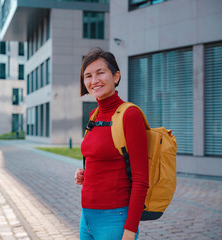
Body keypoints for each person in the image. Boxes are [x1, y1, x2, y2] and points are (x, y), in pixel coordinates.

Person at [74, 47, 149, 240]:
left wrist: (130, 230)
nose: (94, 80)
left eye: (101, 73)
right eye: (88, 75)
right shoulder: (94, 115)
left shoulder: (129, 115)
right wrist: (86, 174)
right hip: (87, 216)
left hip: (114, 218)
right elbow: (103, 157)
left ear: (116, 76)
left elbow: (141, 179)